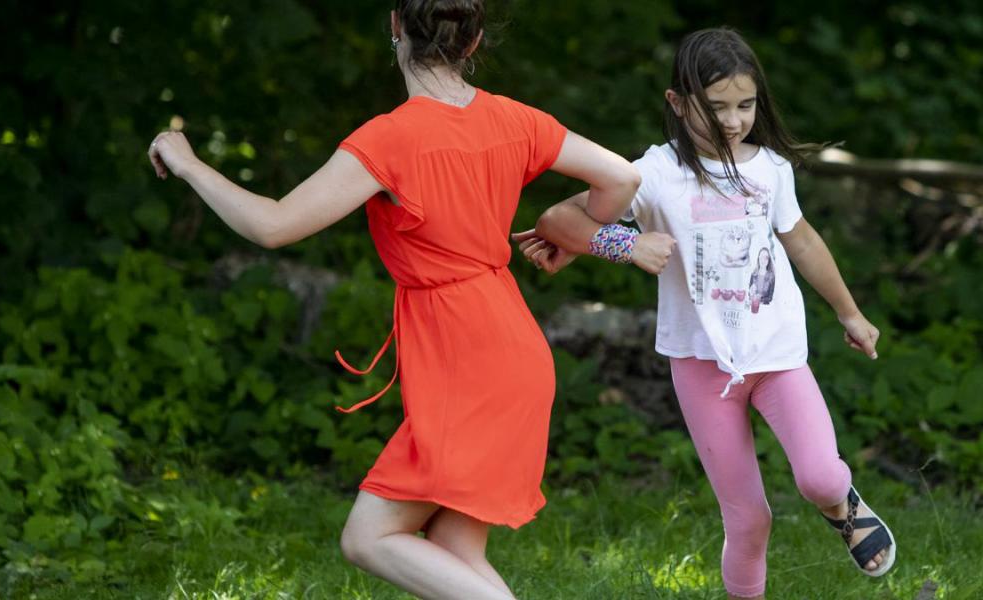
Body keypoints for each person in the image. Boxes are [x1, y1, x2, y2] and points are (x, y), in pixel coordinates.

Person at [145, 1, 672, 597]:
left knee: (367, 538)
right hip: (510, 343)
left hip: (466, 354)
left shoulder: (391, 138)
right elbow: (622, 178)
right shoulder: (513, 119)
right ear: (473, 42)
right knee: (452, 552)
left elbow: (272, 226)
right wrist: (580, 241)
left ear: (395, 25)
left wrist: (189, 164)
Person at [513, 27, 895, 600]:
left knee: (818, 476)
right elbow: (557, 220)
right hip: (699, 366)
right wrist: (626, 244)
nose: (734, 120)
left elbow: (805, 243)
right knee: (748, 518)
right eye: (716, 108)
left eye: (745, 105)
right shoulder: (656, 173)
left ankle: (843, 503)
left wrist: (850, 312)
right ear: (677, 102)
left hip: (776, 354)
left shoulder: (769, 169)